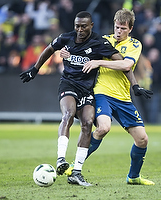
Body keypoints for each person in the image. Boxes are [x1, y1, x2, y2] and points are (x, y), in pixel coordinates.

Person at [19, 11, 123, 187]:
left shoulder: (99, 43)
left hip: (87, 89)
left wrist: (100, 61)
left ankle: (76, 172)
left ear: (91, 26)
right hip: (68, 84)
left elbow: (119, 60)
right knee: (68, 113)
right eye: (77, 26)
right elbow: (49, 49)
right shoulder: (66, 38)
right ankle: (61, 160)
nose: (80, 30)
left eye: (83, 26)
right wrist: (35, 69)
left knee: (88, 123)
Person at [62, 8, 155, 185]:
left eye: (123, 29)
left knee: (142, 139)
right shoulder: (103, 40)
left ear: (131, 29)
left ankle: (133, 177)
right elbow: (80, 49)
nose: (118, 32)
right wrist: (68, 53)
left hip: (123, 98)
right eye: (116, 27)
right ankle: (76, 165)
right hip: (102, 93)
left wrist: (99, 61)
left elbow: (127, 64)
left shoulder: (135, 45)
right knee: (103, 127)